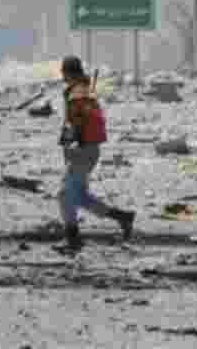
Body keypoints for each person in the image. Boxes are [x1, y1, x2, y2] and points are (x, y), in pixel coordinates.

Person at [56, 56, 136, 254]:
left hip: (82, 151)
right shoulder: (83, 92)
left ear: (67, 73)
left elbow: (72, 127)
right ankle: (122, 217)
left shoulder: (77, 95)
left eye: (63, 73)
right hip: (89, 150)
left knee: (65, 195)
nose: (62, 77)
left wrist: (67, 147)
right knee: (80, 196)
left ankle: (72, 239)